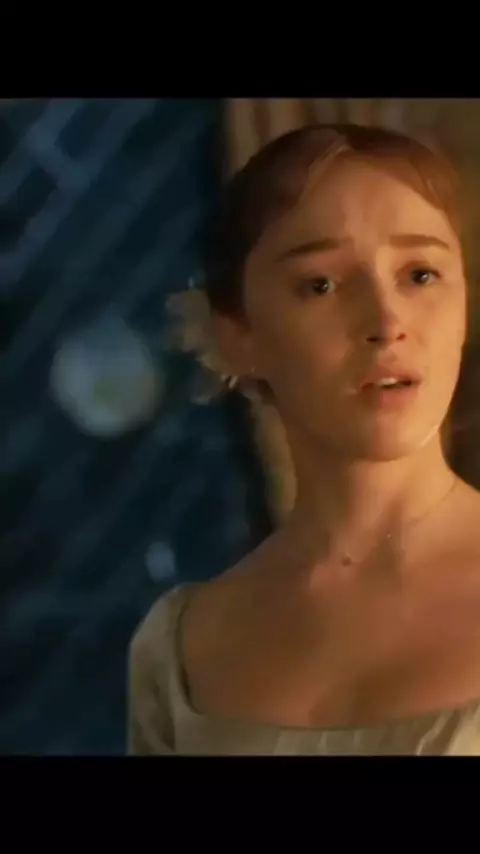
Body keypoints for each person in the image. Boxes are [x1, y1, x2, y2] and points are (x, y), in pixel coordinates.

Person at [128, 122, 480, 755]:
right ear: (238, 335)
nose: (387, 322)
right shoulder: (187, 646)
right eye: (321, 284)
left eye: (421, 275)